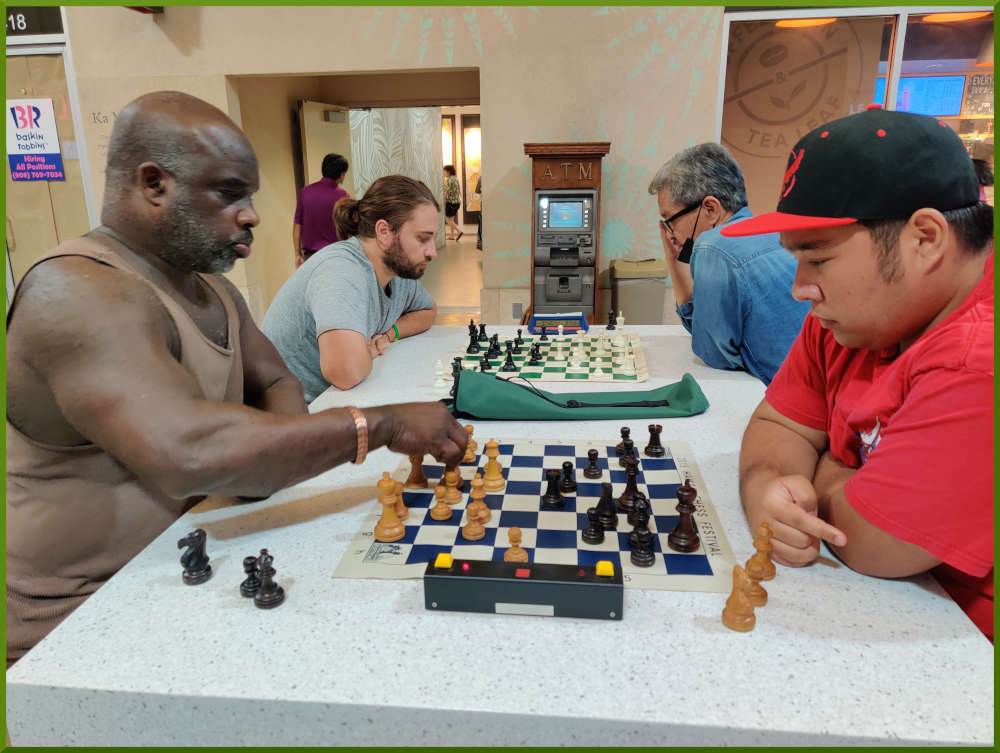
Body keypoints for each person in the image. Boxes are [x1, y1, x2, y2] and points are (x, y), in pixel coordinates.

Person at [5, 92, 468, 666]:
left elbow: (279, 383)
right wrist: (381, 424)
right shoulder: (74, 291)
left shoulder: (214, 289)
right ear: (154, 183)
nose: (250, 214)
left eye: (248, 196)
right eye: (228, 193)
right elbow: (189, 450)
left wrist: (263, 461)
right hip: (80, 623)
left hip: (197, 570)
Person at [723, 107, 993, 639]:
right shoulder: (850, 319)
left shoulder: (978, 356)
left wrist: (817, 468)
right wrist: (768, 489)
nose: (801, 288)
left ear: (924, 239)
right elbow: (777, 429)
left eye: (817, 259)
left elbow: (876, 542)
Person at [262, 175, 439, 398]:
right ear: (384, 232)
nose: (432, 251)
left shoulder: (399, 271)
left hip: (334, 401)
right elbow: (345, 373)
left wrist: (388, 334)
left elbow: (428, 311)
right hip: (289, 415)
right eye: (423, 238)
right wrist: (363, 352)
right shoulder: (341, 271)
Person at [647, 143, 809, 384]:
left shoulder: (715, 247)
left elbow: (713, 355)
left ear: (710, 209)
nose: (671, 233)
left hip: (779, 397)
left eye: (670, 220)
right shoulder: (773, 234)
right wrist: (675, 259)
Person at [293, 152, 349, 267]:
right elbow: (348, 231)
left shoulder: (305, 192)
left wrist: (297, 253)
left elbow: (297, 225)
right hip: (336, 257)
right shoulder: (343, 196)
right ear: (341, 174)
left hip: (311, 258)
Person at [443, 164, 462, 240]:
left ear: (448, 172)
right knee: (451, 220)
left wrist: (443, 201)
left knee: (447, 219)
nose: (443, 173)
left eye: (444, 171)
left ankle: (459, 231)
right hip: (457, 202)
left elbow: (445, 193)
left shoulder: (449, 180)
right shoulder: (455, 179)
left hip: (450, 203)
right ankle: (452, 235)